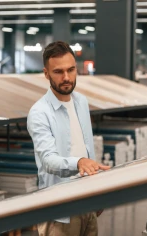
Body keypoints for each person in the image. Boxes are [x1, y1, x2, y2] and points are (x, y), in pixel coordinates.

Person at [27, 41, 110, 236]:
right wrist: (79, 162)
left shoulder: (81, 101)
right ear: (46, 74)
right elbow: (48, 161)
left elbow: (87, 149)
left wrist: (96, 192)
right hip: (60, 211)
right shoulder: (40, 112)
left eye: (71, 70)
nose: (66, 77)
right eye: (58, 72)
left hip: (87, 201)